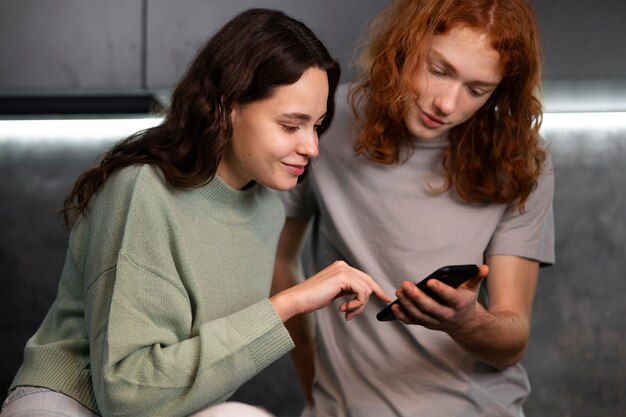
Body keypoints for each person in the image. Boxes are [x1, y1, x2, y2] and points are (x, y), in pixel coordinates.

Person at [1, 8, 391, 417]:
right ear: (227, 107)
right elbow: (126, 394)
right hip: (70, 402)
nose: (312, 147)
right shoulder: (142, 191)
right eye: (291, 126)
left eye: (318, 126)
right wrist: (287, 304)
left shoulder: (267, 212)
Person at [273, 0, 554, 416]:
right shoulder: (325, 123)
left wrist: (468, 322)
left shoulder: (521, 160)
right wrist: (311, 376)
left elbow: (512, 339)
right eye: (438, 70)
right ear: (405, 45)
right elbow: (279, 259)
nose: (446, 103)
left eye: (477, 90)